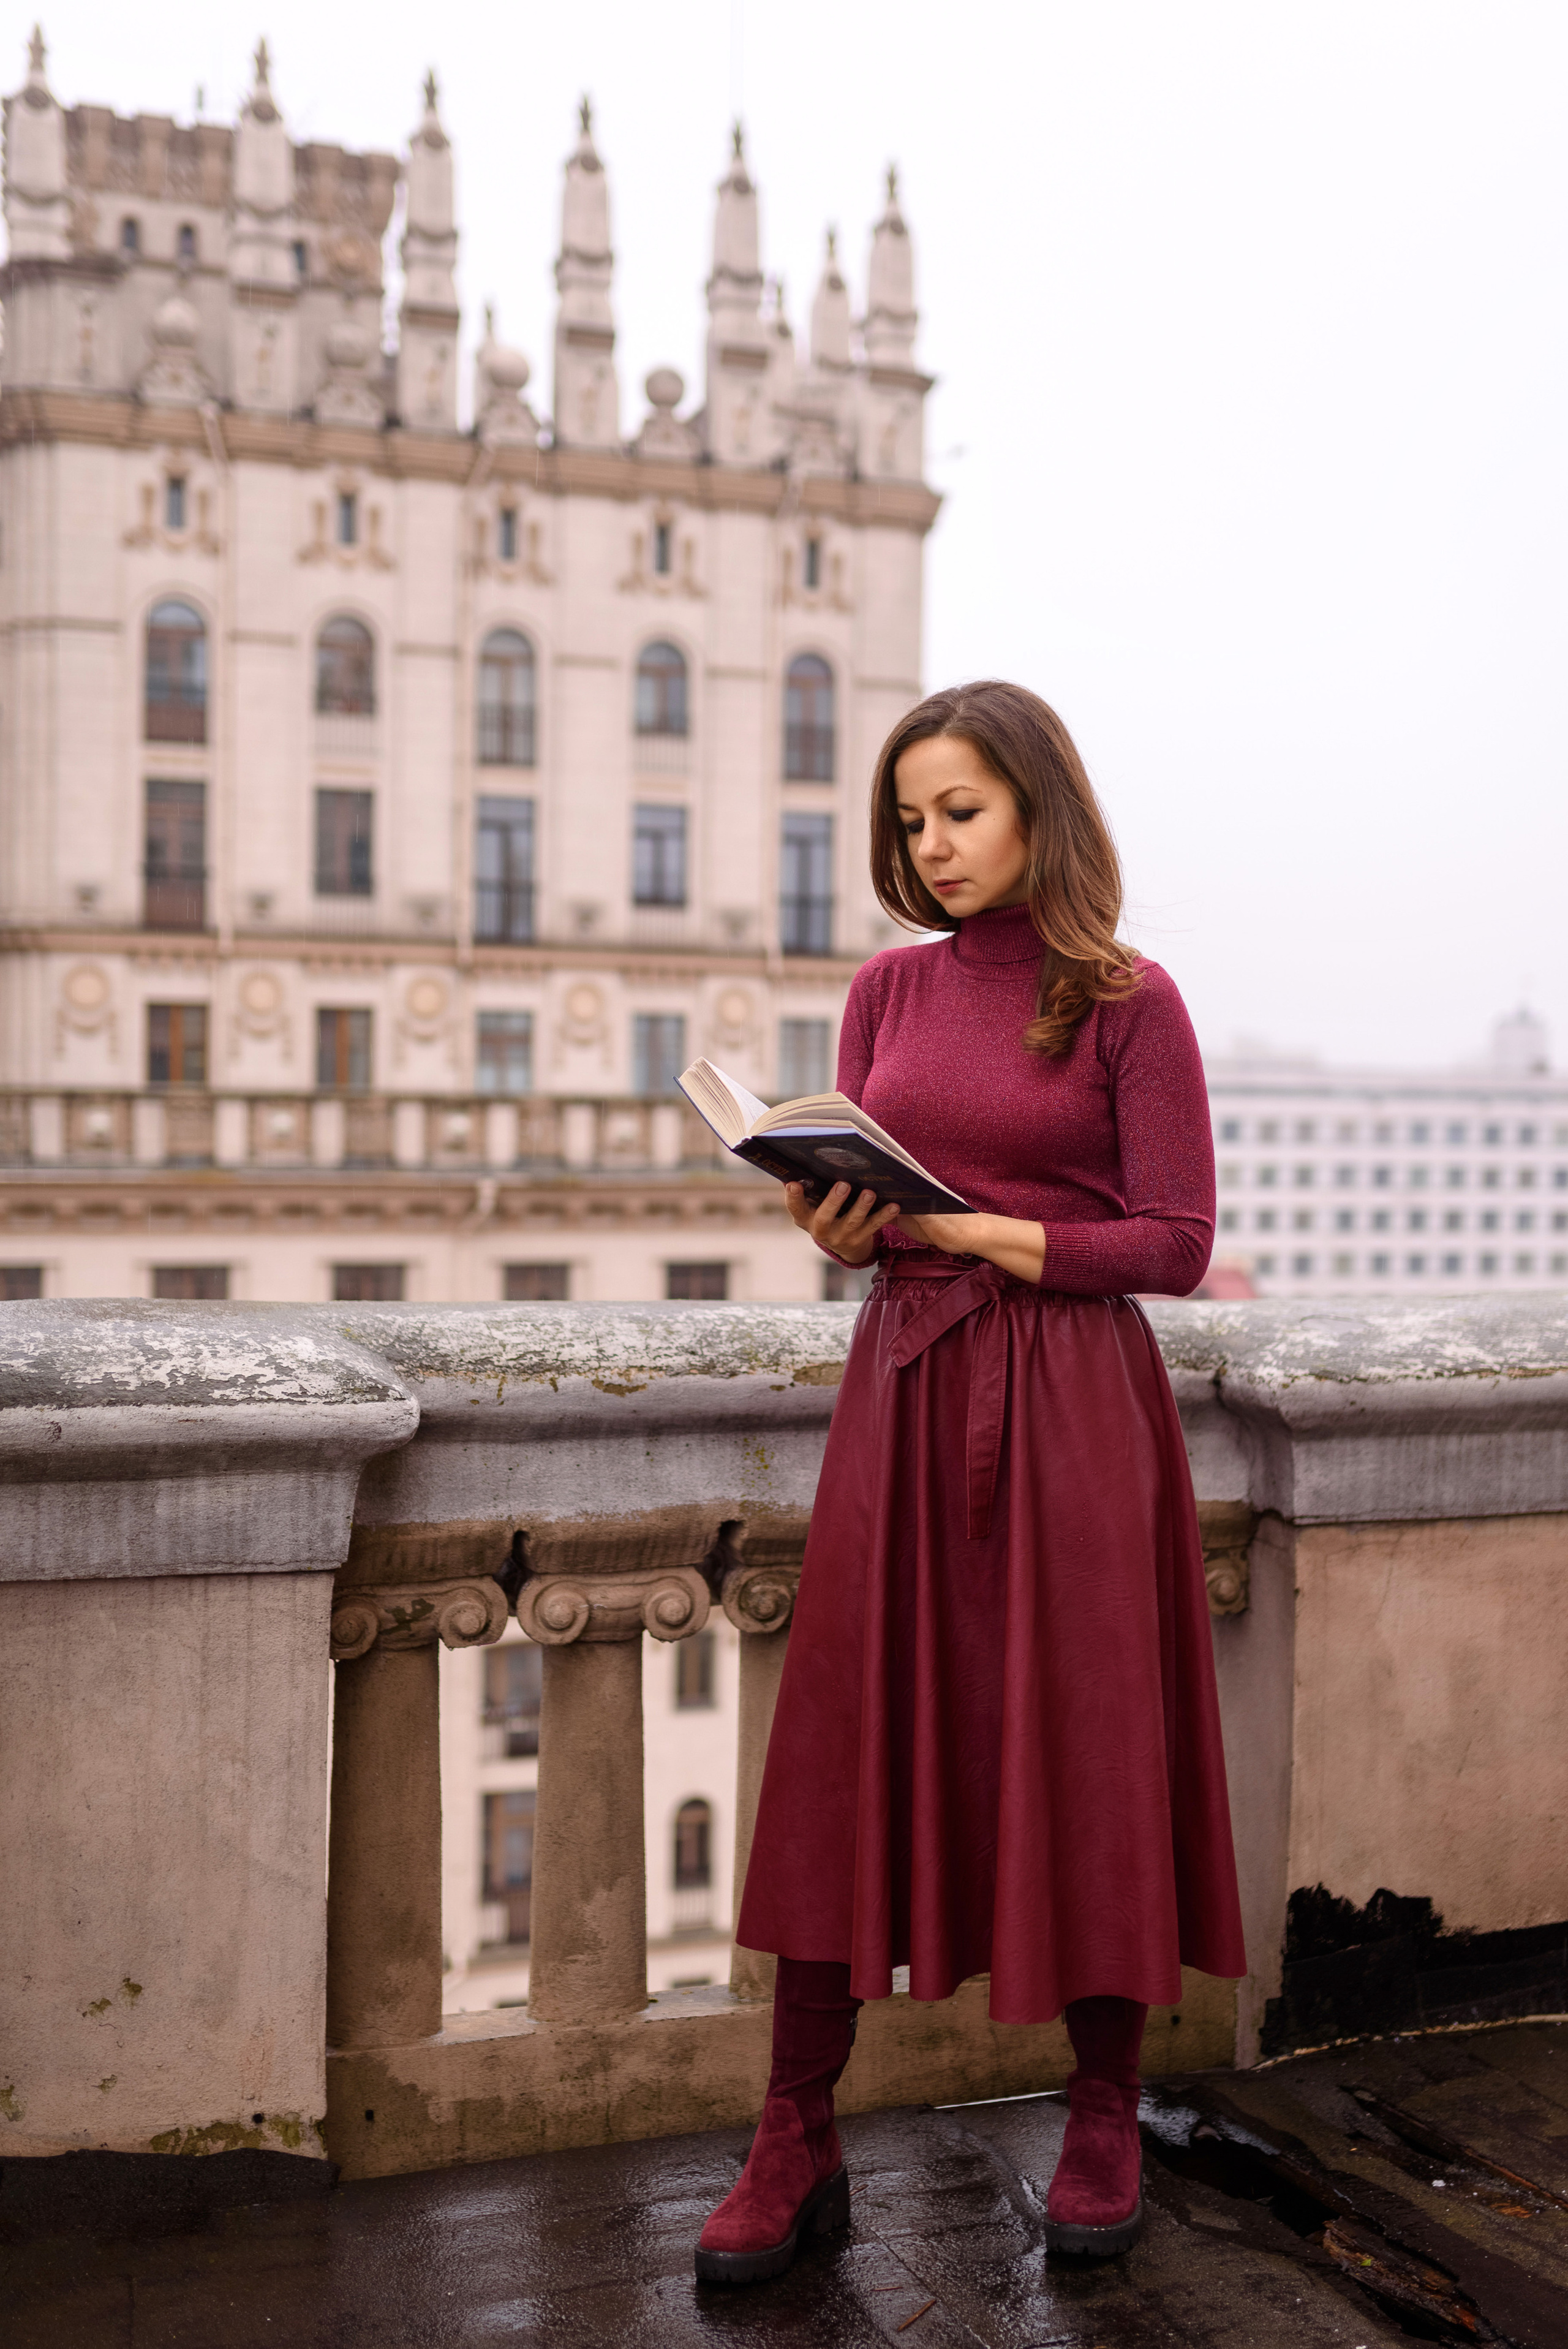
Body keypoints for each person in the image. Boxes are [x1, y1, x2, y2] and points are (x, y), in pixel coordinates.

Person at [694, 680, 1246, 2285]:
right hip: (908, 1384)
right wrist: (841, 1218)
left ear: (1038, 812)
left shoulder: (1128, 997)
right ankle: (794, 2131)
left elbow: (1175, 1241)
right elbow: (862, 1176)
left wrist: (976, 1229)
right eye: (913, 819)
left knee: (1079, 1739)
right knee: (851, 1734)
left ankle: (1100, 2105)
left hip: (1074, 1402)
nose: (933, 845)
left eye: (963, 811)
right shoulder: (885, 989)